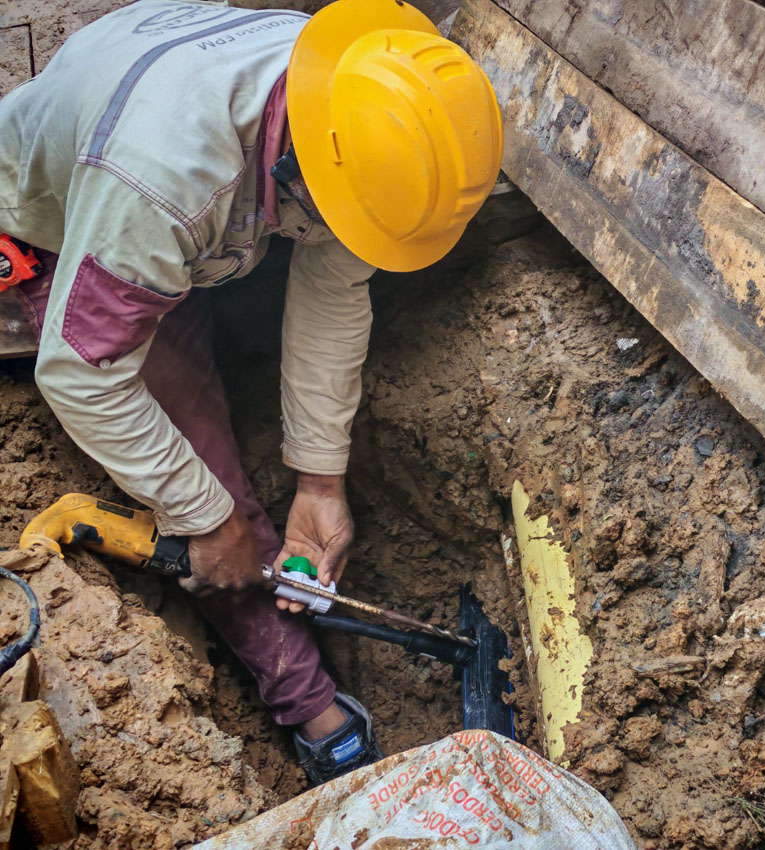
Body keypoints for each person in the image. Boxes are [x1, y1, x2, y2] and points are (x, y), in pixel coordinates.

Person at [0, 0, 503, 784]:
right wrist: (207, 518)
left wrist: (321, 480)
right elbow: (82, 375)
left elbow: (334, 291)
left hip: (163, 171)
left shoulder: (359, 100)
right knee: (213, 492)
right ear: (299, 171)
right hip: (74, 213)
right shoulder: (161, 185)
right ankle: (314, 712)